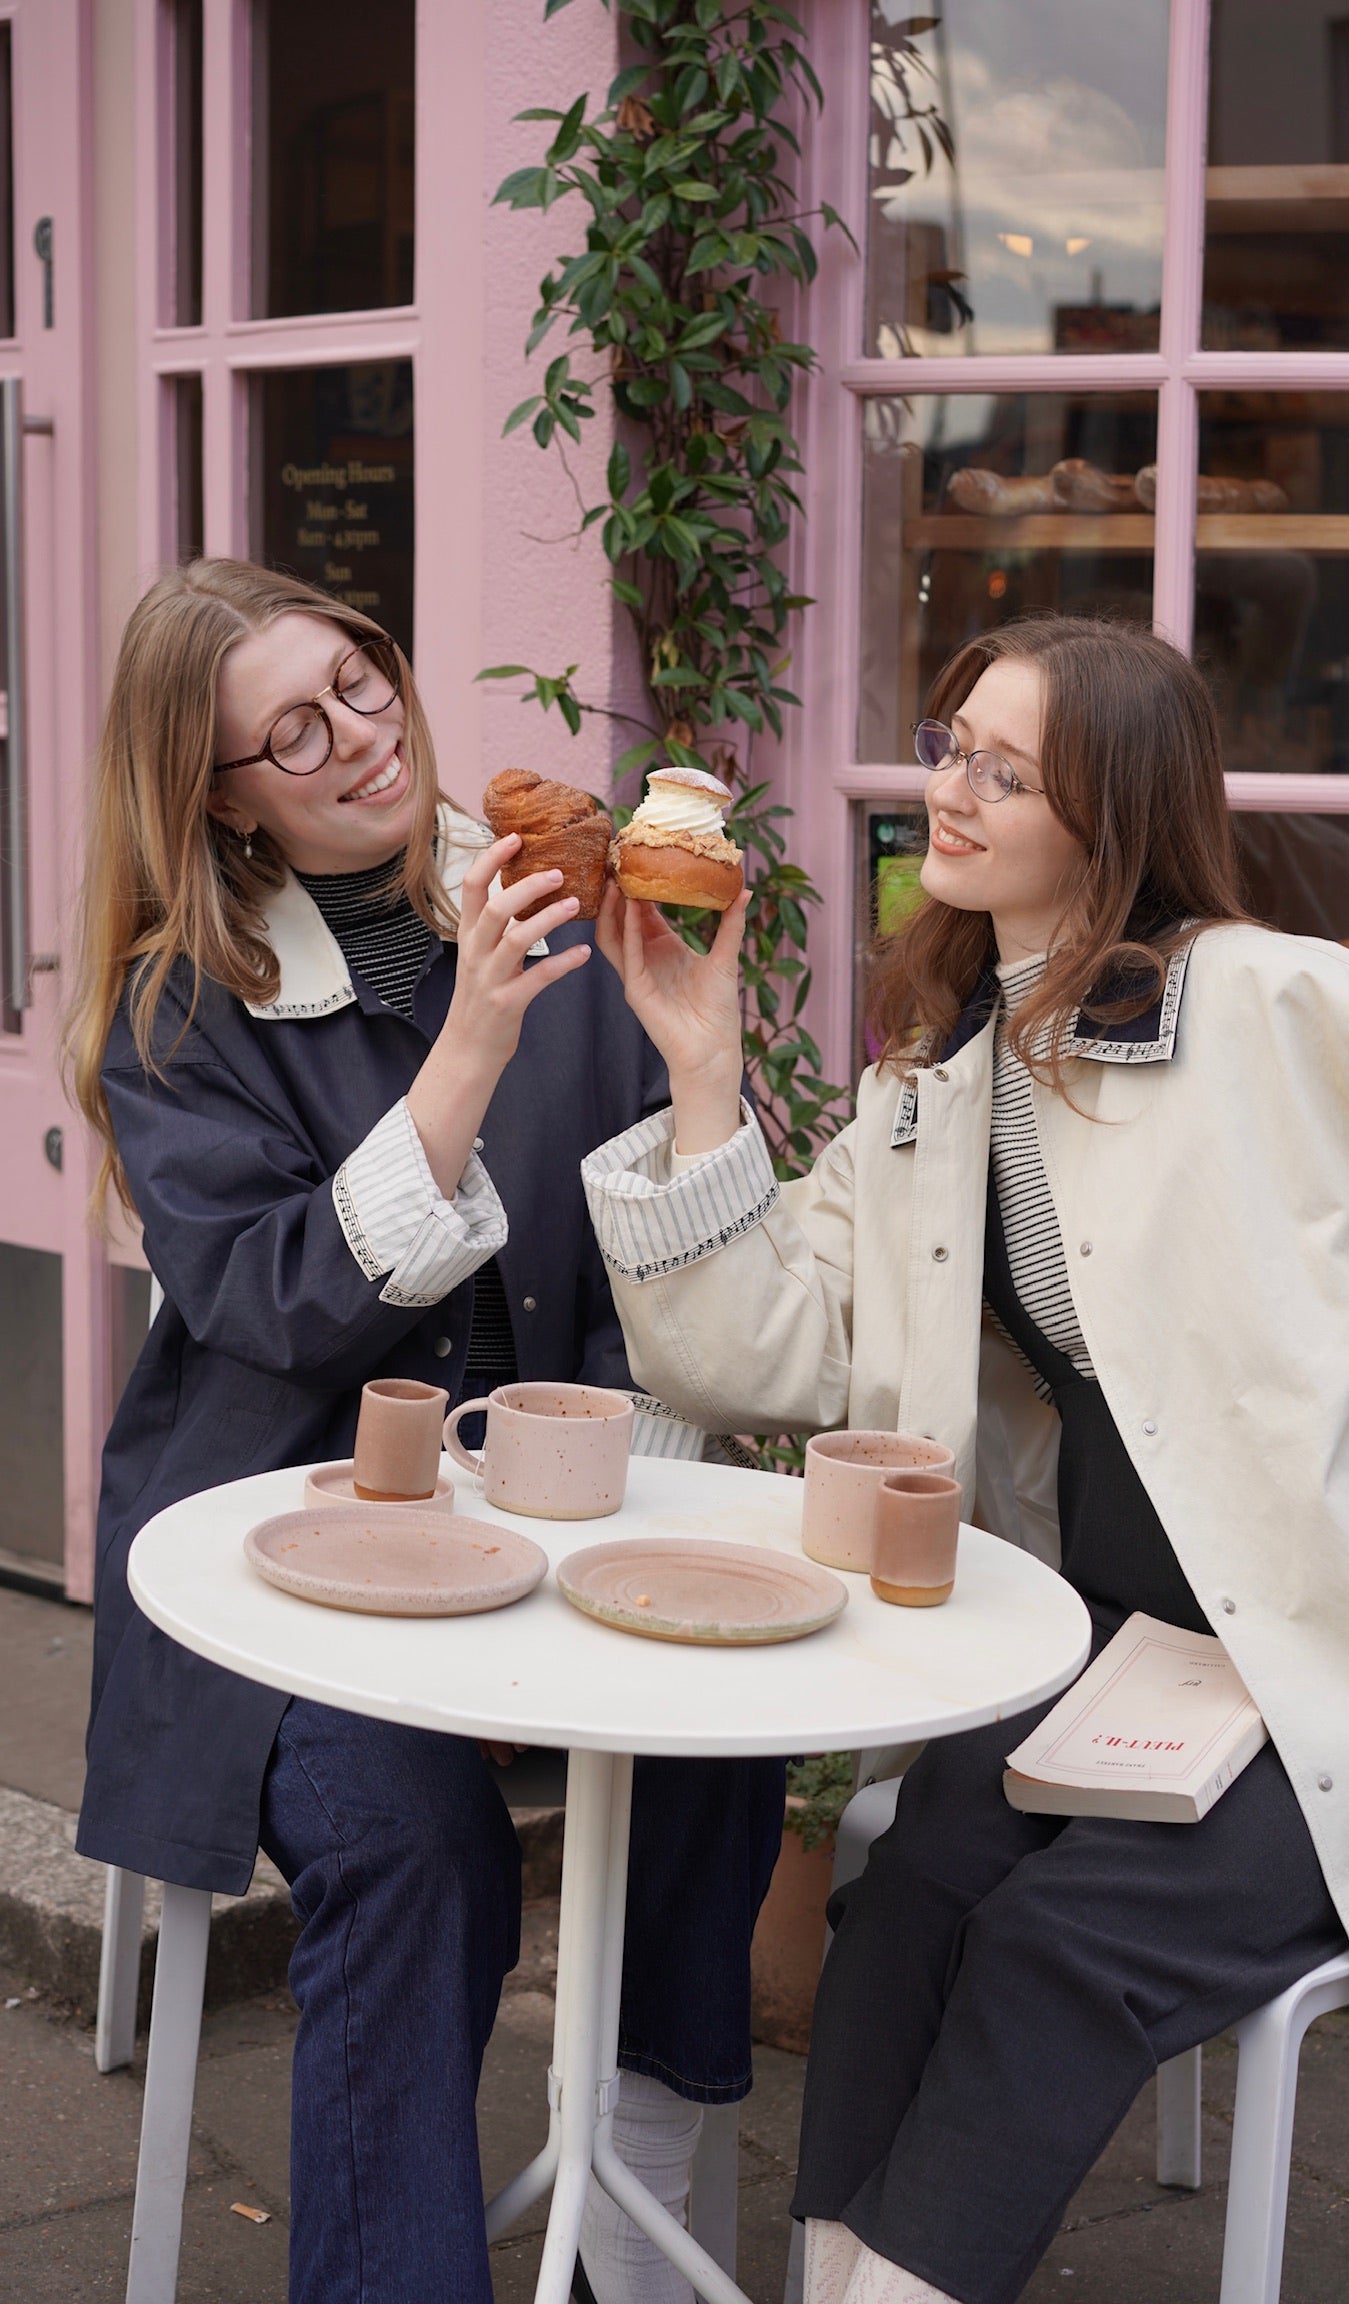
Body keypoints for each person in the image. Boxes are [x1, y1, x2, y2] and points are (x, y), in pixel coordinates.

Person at [580, 613, 1349, 2304]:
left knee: (1056, 1945)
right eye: (953, 745)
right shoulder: (940, 1080)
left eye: (1006, 773)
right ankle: (841, 2282)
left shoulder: (1266, 1001)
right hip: (1103, 1646)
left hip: (1328, 1654)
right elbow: (767, 1353)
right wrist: (704, 1065)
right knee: (912, 1893)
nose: (949, 790)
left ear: (1117, 814)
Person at [68, 559, 784, 2304]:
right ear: (215, 800)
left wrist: (637, 1495)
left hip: (563, 1510)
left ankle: (637, 2176)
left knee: (722, 1735)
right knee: (407, 1838)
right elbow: (283, 1308)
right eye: (286, 735)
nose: (355, 745)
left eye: (361, 686)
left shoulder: (569, 905)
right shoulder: (179, 1012)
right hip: (276, 1555)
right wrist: (468, 1038)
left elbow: (656, 1264)